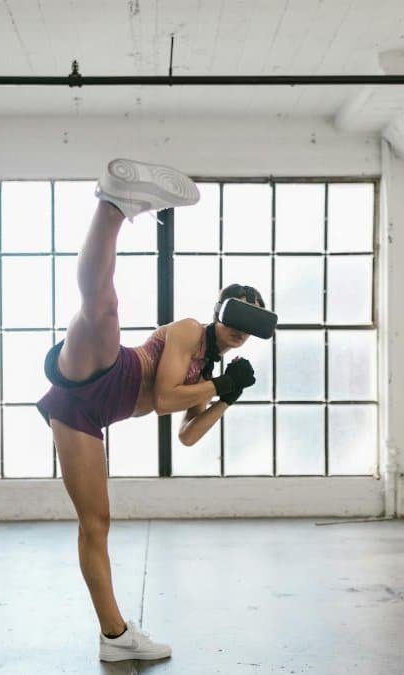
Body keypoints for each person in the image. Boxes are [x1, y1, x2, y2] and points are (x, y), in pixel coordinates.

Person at [35, 159, 274, 663]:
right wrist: (219, 382)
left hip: (87, 416)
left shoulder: (215, 368)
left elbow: (188, 435)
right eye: (235, 315)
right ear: (218, 313)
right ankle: (114, 204)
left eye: (250, 324)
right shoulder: (189, 331)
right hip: (107, 370)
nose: (239, 330)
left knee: (95, 525)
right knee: (102, 310)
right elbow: (165, 399)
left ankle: (116, 638)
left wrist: (226, 397)